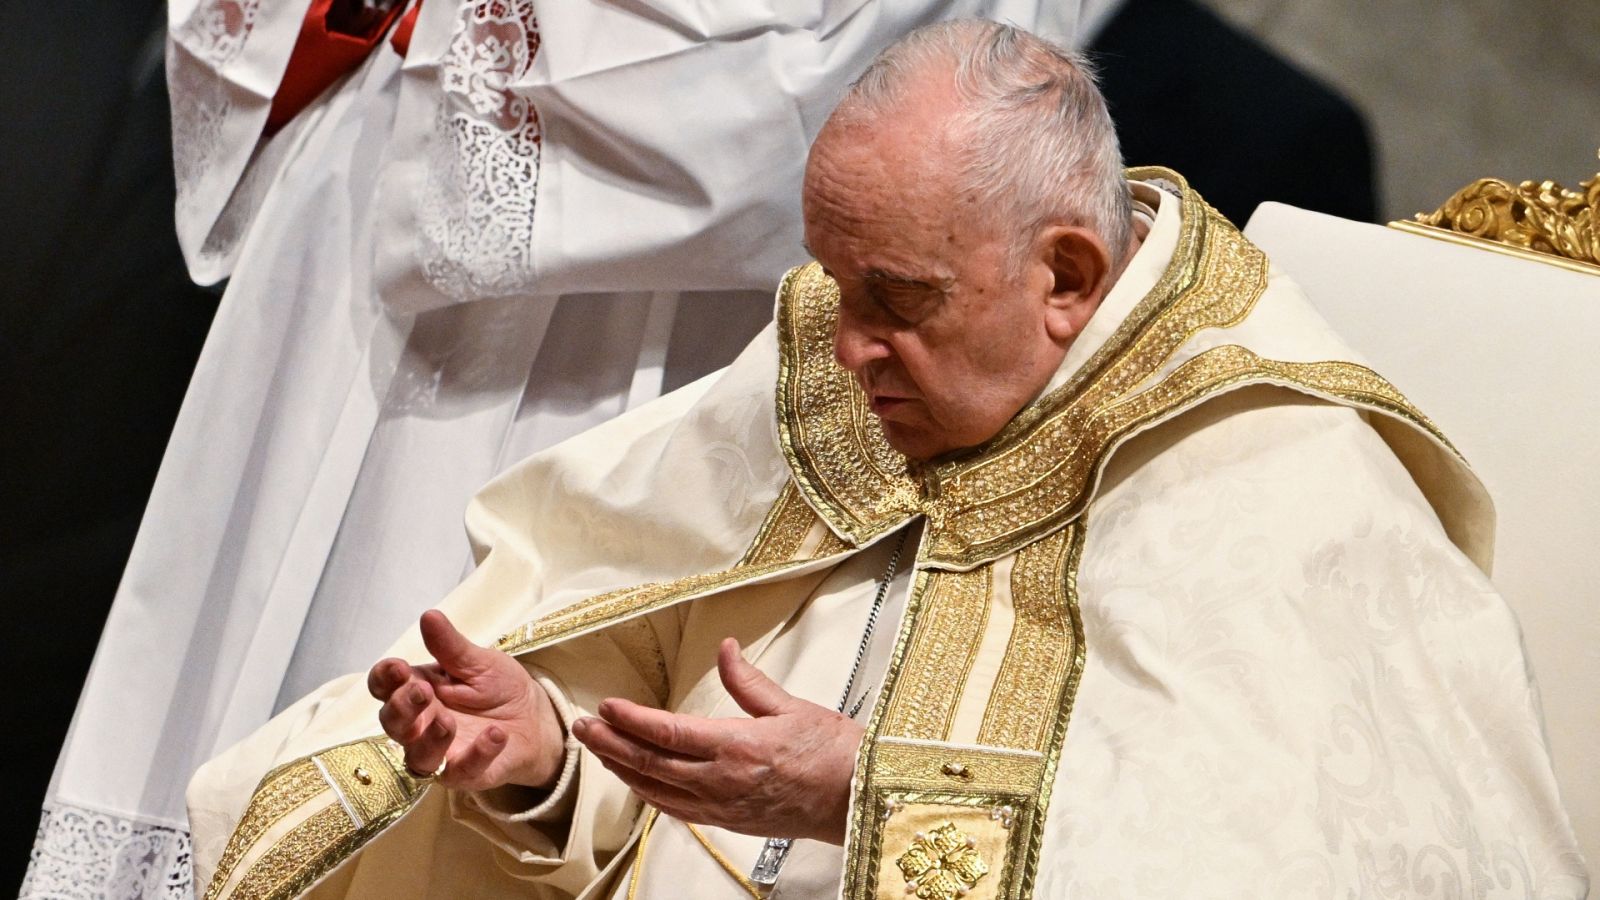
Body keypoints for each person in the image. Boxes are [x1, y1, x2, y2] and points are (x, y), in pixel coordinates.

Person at [187, 20, 1587, 900]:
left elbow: (1326, 867)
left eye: (899, 302)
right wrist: (545, 760)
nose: (844, 346)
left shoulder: (1271, 480)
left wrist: (872, 792)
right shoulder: (846, 365)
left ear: (1069, 275)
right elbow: (658, 804)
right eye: (832, 283)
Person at [25, 4, 1075, 897]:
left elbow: (856, 99)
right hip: (364, 207)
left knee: (502, 720)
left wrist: (495, 48)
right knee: (232, 673)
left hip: (639, 318)